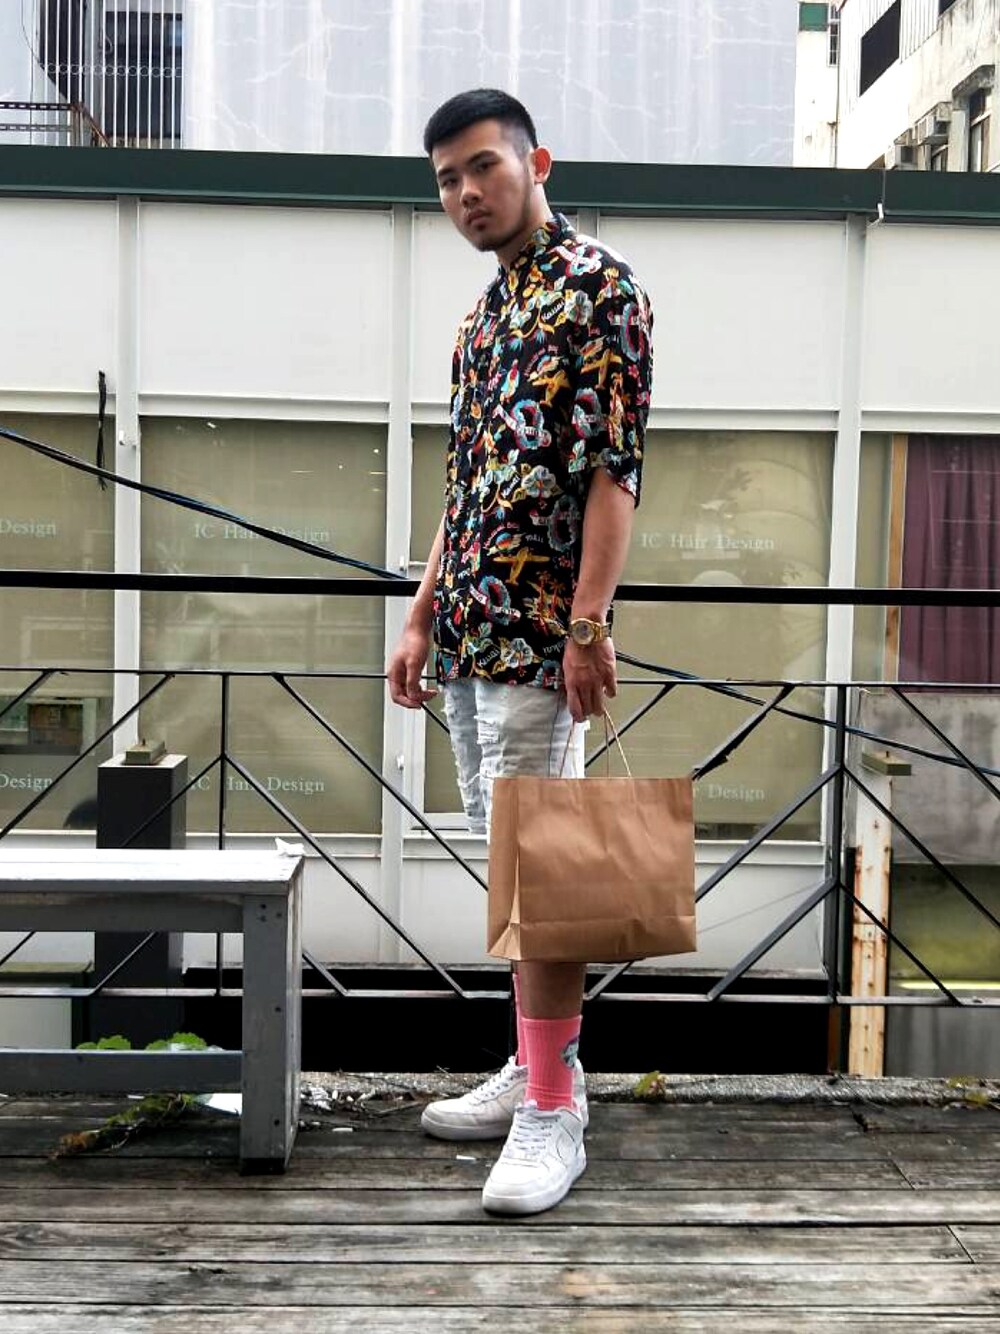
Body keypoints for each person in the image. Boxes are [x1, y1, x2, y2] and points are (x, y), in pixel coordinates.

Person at [387, 88, 653, 1216]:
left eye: (482, 167)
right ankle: (537, 1065)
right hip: (467, 633)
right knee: (511, 868)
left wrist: (588, 622)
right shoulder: (482, 320)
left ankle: (554, 1108)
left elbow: (612, 471)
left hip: (543, 638)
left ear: (536, 163)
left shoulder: (601, 288)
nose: (465, 193)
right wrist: (419, 613)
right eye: (447, 179)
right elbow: (466, 489)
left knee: (546, 873)